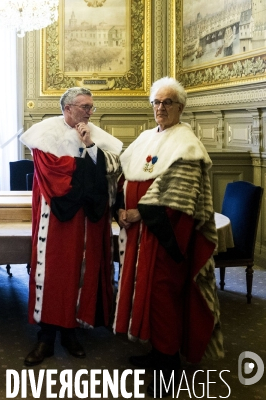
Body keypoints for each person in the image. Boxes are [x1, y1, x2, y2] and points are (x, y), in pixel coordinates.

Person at [113, 77, 223, 397]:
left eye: (168, 103)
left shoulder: (187, 143)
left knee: (163, 298)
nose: (161, 108)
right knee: (145, 293)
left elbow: (180, 195)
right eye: (156, 103)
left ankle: (169, 369)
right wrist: (120, 206)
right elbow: (124, 173)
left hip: (167, 235)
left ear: (180, 107)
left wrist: (139, 213)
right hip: (140, 234)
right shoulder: (148, 136)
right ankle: (157, 353)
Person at [19, 87, 123, 366]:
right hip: (56, 221)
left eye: (91, 107)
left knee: (81, 271)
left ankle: (71, 332)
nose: (89, 111)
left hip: (87, 221)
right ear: (67, 108)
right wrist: (89, 168)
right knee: (53, 276)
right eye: (84, 106)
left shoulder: (95, 135)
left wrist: (89, 147)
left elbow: (112, 170)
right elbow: (57, 175)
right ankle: (46, 338)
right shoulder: (45, 136)